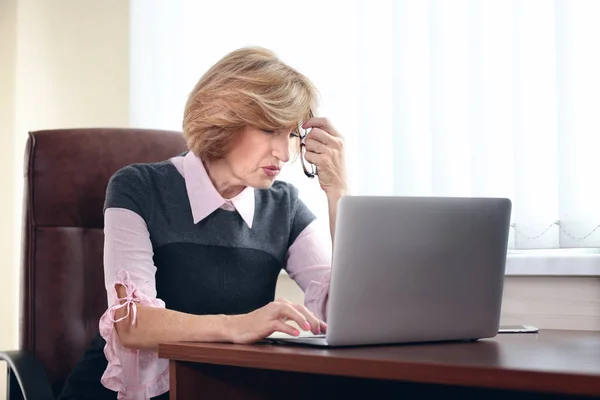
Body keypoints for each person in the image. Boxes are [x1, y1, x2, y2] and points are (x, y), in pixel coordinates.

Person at [58, 46, 348, 399]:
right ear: (223, 118)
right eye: (270, 129)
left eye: (291, 135)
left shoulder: (283, 206)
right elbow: (132, 325)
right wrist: (240, 325)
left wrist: (338, 193)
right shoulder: (138, 187)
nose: (285, 154)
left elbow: (344, 314)